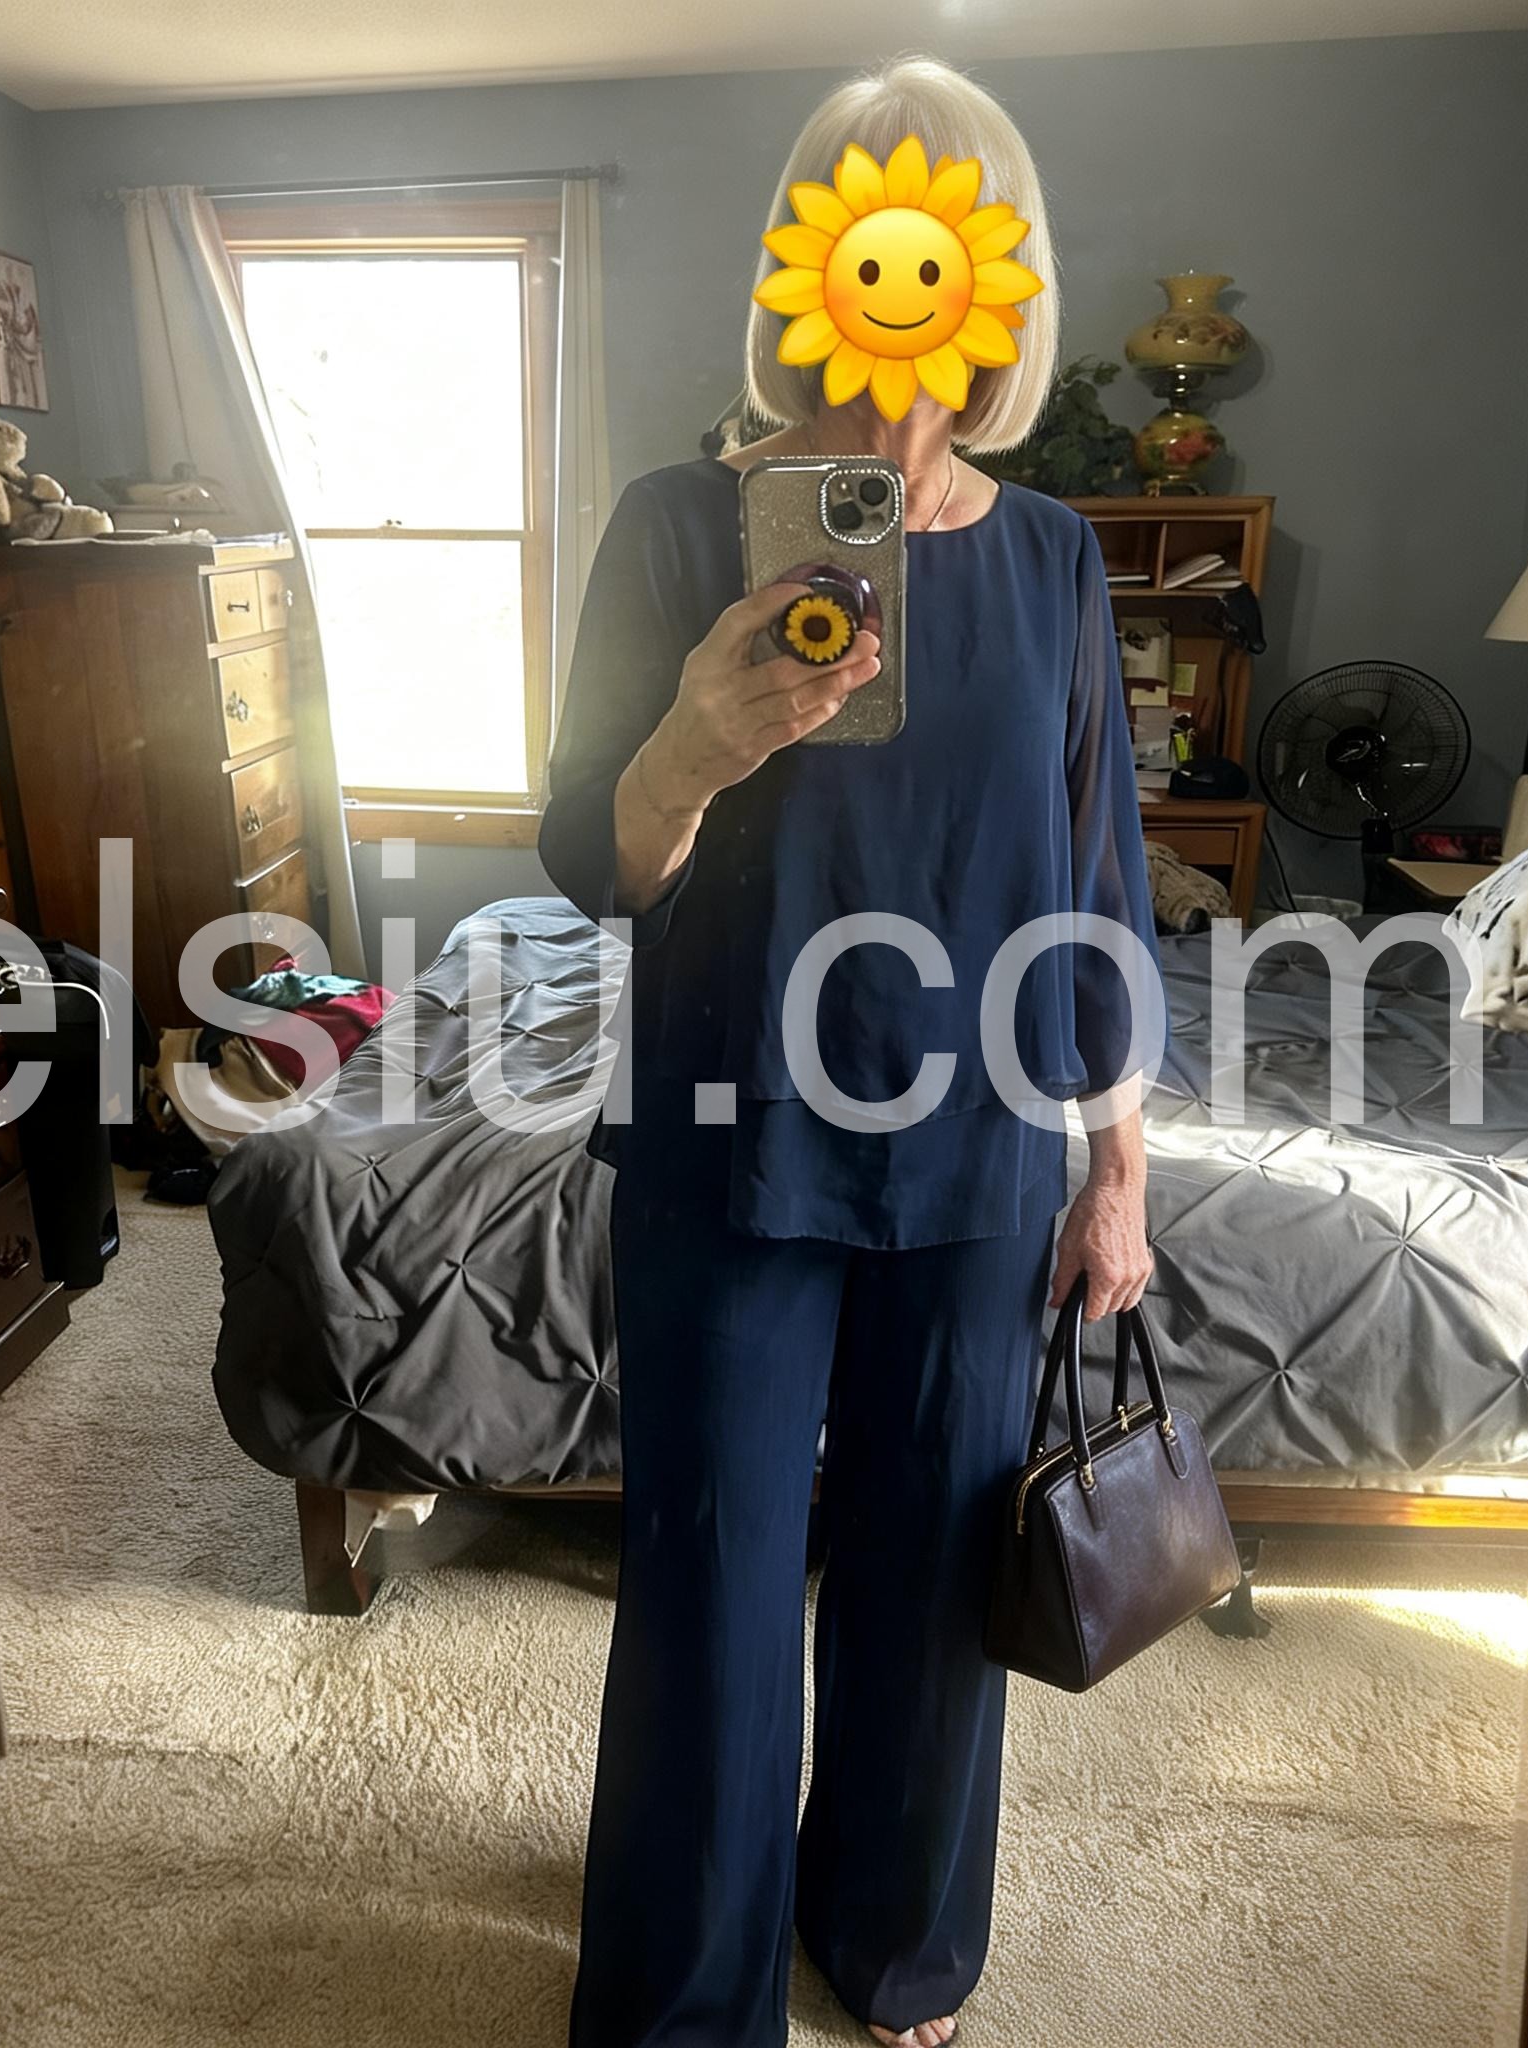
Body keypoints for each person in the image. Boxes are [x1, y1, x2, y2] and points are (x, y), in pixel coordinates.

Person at [539, 55, 1161, 2048]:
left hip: (977, 1154)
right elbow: (591, 862)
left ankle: (892, 1939)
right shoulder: (675, 526)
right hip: (729, 1138)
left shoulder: (1054, 559)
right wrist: (692, 747)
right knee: (713, 1586)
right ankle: (685, 2001)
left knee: (932, 1580)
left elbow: (1095, 879)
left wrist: (1120, 1169)